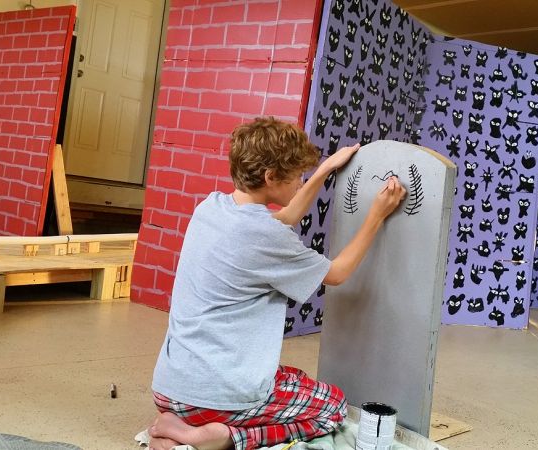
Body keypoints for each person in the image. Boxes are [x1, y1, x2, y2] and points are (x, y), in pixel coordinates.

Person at [147, 117, 406, 450]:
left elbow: (285, 217)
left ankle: (178, 423)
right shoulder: (267, 237)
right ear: (270, 177)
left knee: (294, 378)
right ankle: (219, 437)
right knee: (332, 406)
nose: (301, 183)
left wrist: (325, 168)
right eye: (297, 176)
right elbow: (338, 273)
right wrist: (377, 214)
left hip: (172, 387)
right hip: (213, 396)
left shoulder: (211, 207)